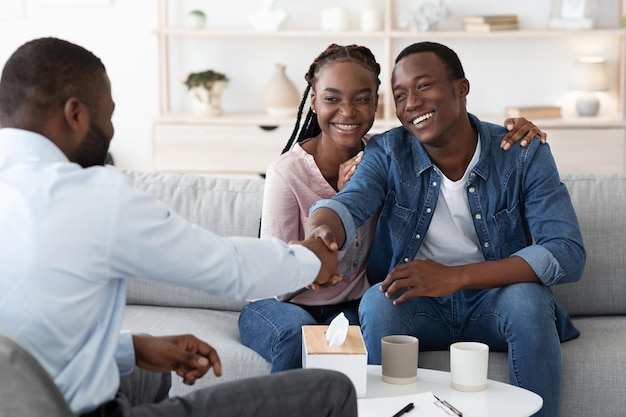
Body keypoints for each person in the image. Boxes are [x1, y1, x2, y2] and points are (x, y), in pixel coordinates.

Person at [0, 37, 357, 417]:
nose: (110, 130)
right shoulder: (89, 196)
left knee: (147, 373)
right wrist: (312, 260)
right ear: (75, 114)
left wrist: (133, 348)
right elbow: (224, 267)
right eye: (108, 115)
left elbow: (27, 342)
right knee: (331, 389)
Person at [305, 41, 585, 417]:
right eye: (400, 95)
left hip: (495, 300)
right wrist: (320, 233)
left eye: (423, 86)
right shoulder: (388, 151)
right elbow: (349, 203)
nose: (411, 104)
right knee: (378, 302)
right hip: (417, 305)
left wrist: (455, 277)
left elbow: (566, 251)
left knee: (529, 301)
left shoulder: (521, 152)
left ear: (461, 88)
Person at [239, 43, 550, 373]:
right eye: (332, 98)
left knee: (355, 342)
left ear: (376, 103)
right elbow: (276, 278)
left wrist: (513, 136)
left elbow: (447, 132)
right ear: (314, 101)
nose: (348, 111)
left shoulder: (386, 154)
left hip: (348, 305)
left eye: (362, 99)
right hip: (282, 301)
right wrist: (316, 254)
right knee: (296, 337)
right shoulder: (288, 173)